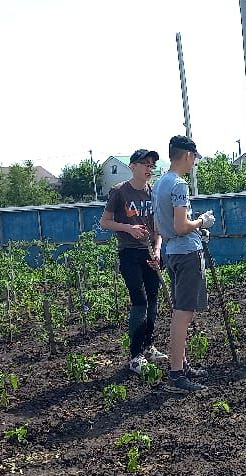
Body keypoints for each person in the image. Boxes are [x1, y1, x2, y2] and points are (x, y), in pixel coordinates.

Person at [152, 135, 216, 394]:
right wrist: (201, 222)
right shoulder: (179, 185)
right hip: (187, 253)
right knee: (183, 313)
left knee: (181, 311)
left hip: (172, 251)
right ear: (187, 155)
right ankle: (176, 374)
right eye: (194, 158)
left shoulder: (159, 184)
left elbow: (161, 225)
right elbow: (181, 226)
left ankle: (181, 364)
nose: (193, 163)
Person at [99, 149, 168, 375]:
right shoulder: (120, 192)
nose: (149, 169)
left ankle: (149, 347)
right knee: (140, 302)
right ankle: (135, 355)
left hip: (151, 254)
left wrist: (157, 250)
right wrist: (129, 228)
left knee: (154, 301)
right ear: (133, 166)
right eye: (145, 164)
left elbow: (157, 228)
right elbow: (105, 222)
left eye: (152, 165)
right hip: (130, 253)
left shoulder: (153, 193)